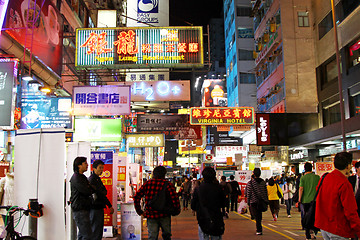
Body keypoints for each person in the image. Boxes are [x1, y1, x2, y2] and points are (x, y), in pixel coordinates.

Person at [315, 152, 360, 239]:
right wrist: (358, 230)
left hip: (324, 226)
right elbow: (350, 211)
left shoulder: (325, 177)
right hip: (338, 228)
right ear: (348, 166)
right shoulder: (344, 183)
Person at [134, 166, 180, 240]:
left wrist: (140, 211)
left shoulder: (148, 183)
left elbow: (137, 197)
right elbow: (174, 199)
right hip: (165, 214)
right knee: (167, 236)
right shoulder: (168, 185)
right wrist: (176, 210)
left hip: (151, 214)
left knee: (152, 236)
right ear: (164, 174)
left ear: (154, 173)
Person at [191, 167, 225, 240]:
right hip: (216, 218)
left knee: (203, 237)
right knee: (216, 236)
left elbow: (193, 206)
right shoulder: (219, 188)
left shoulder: (198, 189)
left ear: (203, 176)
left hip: (202, 218)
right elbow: (224, 203)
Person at [88, 160, 114, 240]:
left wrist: (109, 205)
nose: (101, 170)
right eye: (100, 168)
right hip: (94, 208)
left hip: (98, 208)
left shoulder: (97, 179)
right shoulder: (92, 179)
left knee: (98, 229)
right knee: (96, 230)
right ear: (94, 168)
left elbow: (103, 192)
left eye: (102, 168)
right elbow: (100, 193)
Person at [70, 157, 94, 240]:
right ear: (79, 165)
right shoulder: (76, 178)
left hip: (84, 208)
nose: (87, 165)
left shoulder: (82, 177)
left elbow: (90, 189)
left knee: (82, 234)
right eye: (85, 163)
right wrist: (91, 189)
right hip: (80, 209)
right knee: (87, 235)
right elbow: (87, 190)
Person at [297, 162, 320, 240]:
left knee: (307, 218)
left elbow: (301, 189)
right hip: (316, 201)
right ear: (312, 168)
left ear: (304, 169)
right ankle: (314, 233)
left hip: (305, 201)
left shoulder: (303, 178)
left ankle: (308, 236)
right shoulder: (317, 177)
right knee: (315, 218)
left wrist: (299, 200)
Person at [245, 168, 268, 235]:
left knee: (256, 216)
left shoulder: (250, 183)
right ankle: (259, 228)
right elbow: (265, 192)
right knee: (259, 215)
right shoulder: (263, 182)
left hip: (253, 202)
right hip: (261, 201)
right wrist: (266, 201)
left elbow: (248, 193)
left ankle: (259, 229)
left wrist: (248, 202)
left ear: (253, 174)